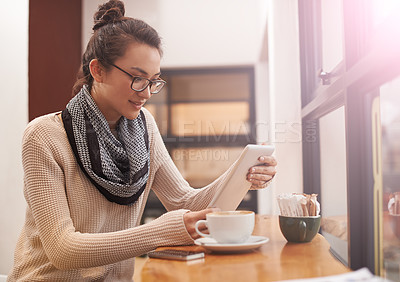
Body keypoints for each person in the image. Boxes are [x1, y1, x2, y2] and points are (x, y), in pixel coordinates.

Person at [8, 0, 277, 281]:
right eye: (138, 78)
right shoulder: (44, 136)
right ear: (98, 70)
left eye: (154, 81)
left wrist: (243, 173)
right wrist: (163, 229)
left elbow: (185, 202)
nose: (146, 93)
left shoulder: (143, 126)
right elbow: (63, 250)